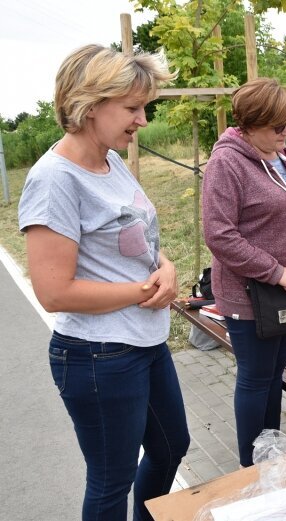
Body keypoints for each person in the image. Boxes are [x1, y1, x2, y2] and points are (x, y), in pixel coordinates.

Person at [17, 44, 190, 521]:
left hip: (144, 342)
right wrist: (144, 293)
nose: (143, 120)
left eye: (145, 107)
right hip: (97, 356)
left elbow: (135, 238)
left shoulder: (110, 161)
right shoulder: (55, 179)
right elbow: (54, 292)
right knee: (111, 480)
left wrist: (167, 265)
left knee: (173, 446)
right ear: (90, 105)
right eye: (133, 108)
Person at [202, 77, 286, 467]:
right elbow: (219, 234)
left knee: (274, 375)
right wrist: (275, 271)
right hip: (252, 293)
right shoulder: (227, 162)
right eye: (278, 126)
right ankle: (252, 468)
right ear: (249, 125)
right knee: (255, 378)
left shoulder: (280, 154)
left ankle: (272, 453)